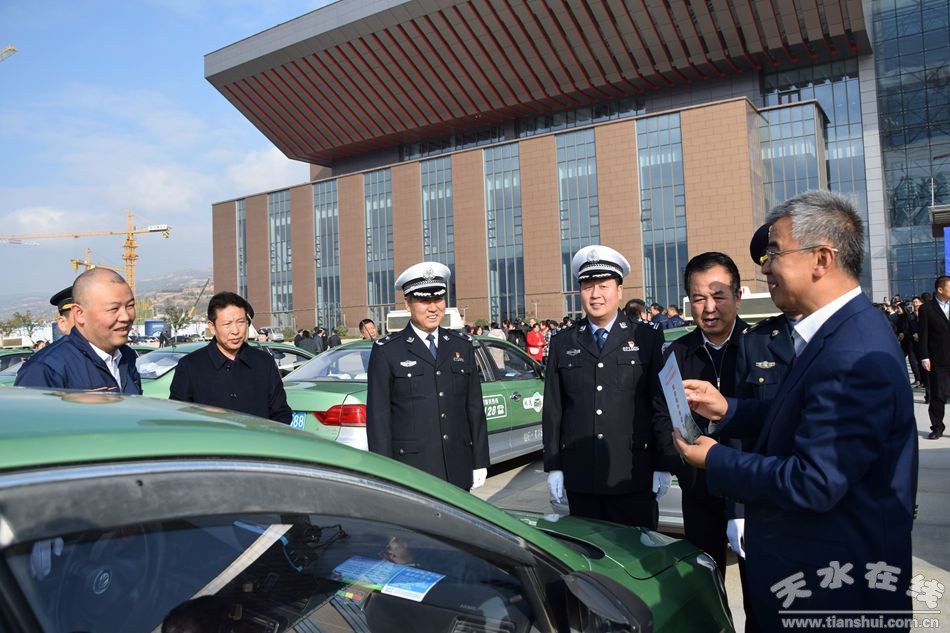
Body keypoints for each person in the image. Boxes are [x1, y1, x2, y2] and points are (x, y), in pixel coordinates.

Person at [676, 190, 917, 631]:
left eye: (775, 253)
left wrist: (715, 458)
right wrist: (730, 409)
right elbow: (802, 418)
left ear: (821, 259)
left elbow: (814, 480)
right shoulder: (838, 334)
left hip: (833, 593)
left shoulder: (853, 352)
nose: (765, 267)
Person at [542, 245, 677, 529]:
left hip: (633, 471)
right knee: (587, 551)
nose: (595, 294)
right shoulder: (563, 341)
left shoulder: (647, 337)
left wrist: (663, 463)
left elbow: (660, 403)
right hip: (581, 474)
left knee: (637, 551)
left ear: (619, 290)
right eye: (587, 286)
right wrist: (554, 465)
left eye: (603, 286)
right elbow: (554, 409)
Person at [366, 261, 489, 490]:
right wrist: (384, 473)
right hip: (411, 471)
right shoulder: (387, 351)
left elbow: (474, 408)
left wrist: (479, 460)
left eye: (438, 299)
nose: (433, 308)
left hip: (458, 466)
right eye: (424, 301)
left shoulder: (461, 345)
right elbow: (378, 419)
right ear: (408, 303)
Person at [663, 251, 748, 577]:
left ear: (738, 296)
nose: (709, 308)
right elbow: (662, 415)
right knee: (704, 584)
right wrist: (683, 466)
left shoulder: (759, 346)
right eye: (698, 299)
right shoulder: (677, 353)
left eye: (718, 296)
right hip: (699, 488)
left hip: (751, 487)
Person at [170, 291, 292, 424]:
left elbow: (281, 413)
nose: (235, 331)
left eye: (241, 322)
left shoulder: (264, 362)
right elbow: (178, 419)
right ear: (212, 327)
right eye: (227, 324)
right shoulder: (190, 366)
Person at [16, 269, 141, 393]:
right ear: (80, 314)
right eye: (114, 309)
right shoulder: (45, 369)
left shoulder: (126, 356)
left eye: (130, 306)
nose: (125, 317)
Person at [918, 275, 950, 439]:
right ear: (940, 289)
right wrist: (924, 357)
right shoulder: (926, 309)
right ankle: (937, 427)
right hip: (938, 358)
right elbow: (923, 335)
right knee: (938, 395)